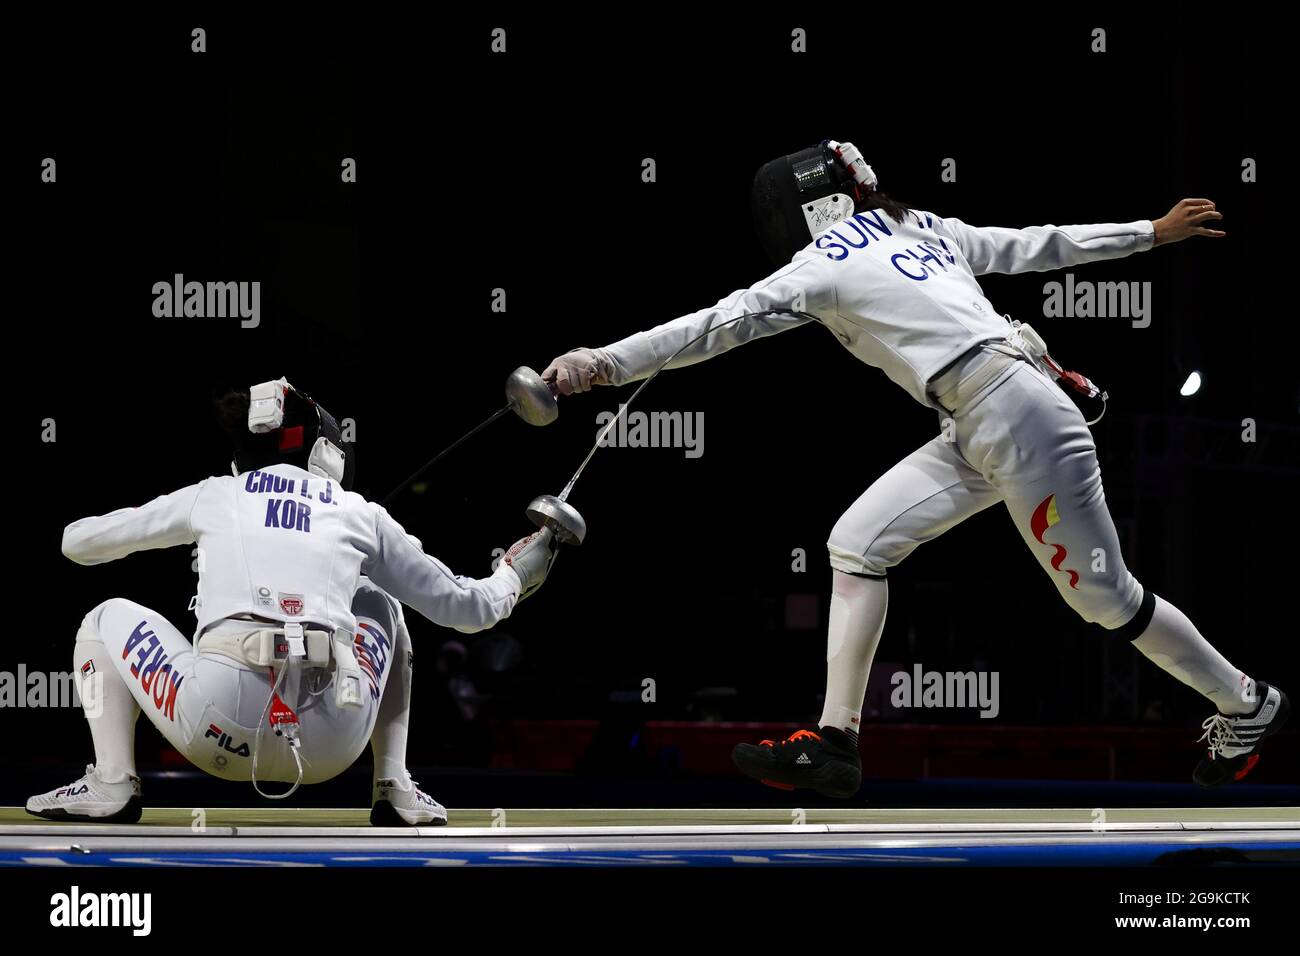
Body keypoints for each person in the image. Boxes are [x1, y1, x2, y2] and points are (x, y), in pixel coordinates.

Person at [541, 139, 1288, 797]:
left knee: (1105, 599)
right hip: (981, 418)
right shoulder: (921, 226)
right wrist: (1147, 233)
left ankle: (1246, 703)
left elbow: (709, 327)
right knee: (857, 544)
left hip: (1013, 415)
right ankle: (835, 746)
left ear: (807, 208)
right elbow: (1038, 244)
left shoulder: (820, 265)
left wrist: (598, 363)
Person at [27, 378, 557, 824]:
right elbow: (468, 609)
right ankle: (394, 786)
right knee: (382, 606)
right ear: (324, 451)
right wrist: (515, 575)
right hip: (332, 742)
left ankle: (113, 783)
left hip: (215, 727)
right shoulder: (359, 513)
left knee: (103, 619)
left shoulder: (216, 495)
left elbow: (76, 543)